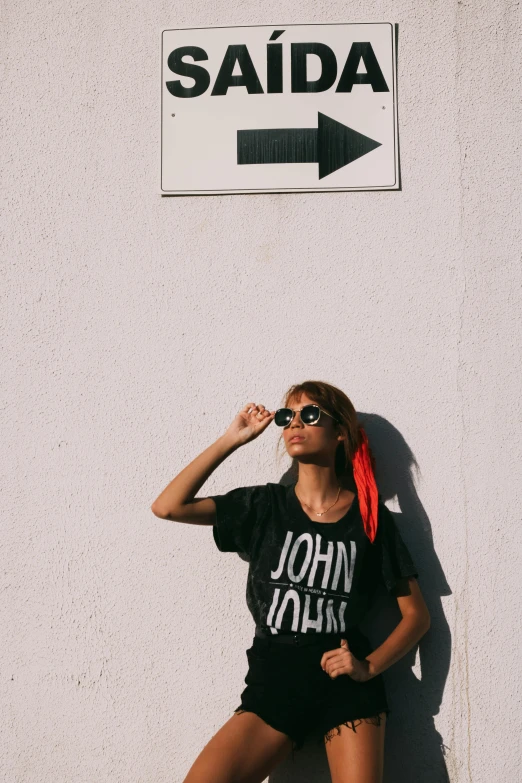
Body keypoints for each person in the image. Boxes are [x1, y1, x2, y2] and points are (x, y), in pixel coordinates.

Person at [151, 381, 431, 783]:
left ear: (340, 433)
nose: (294, 422)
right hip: (275, 678)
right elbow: (168, 506)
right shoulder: (264, 506)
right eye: (287, 416)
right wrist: (233, 439)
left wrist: (368, 666)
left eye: (310, 413)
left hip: (345, 685)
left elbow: (416, 617)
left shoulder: (370, 520)